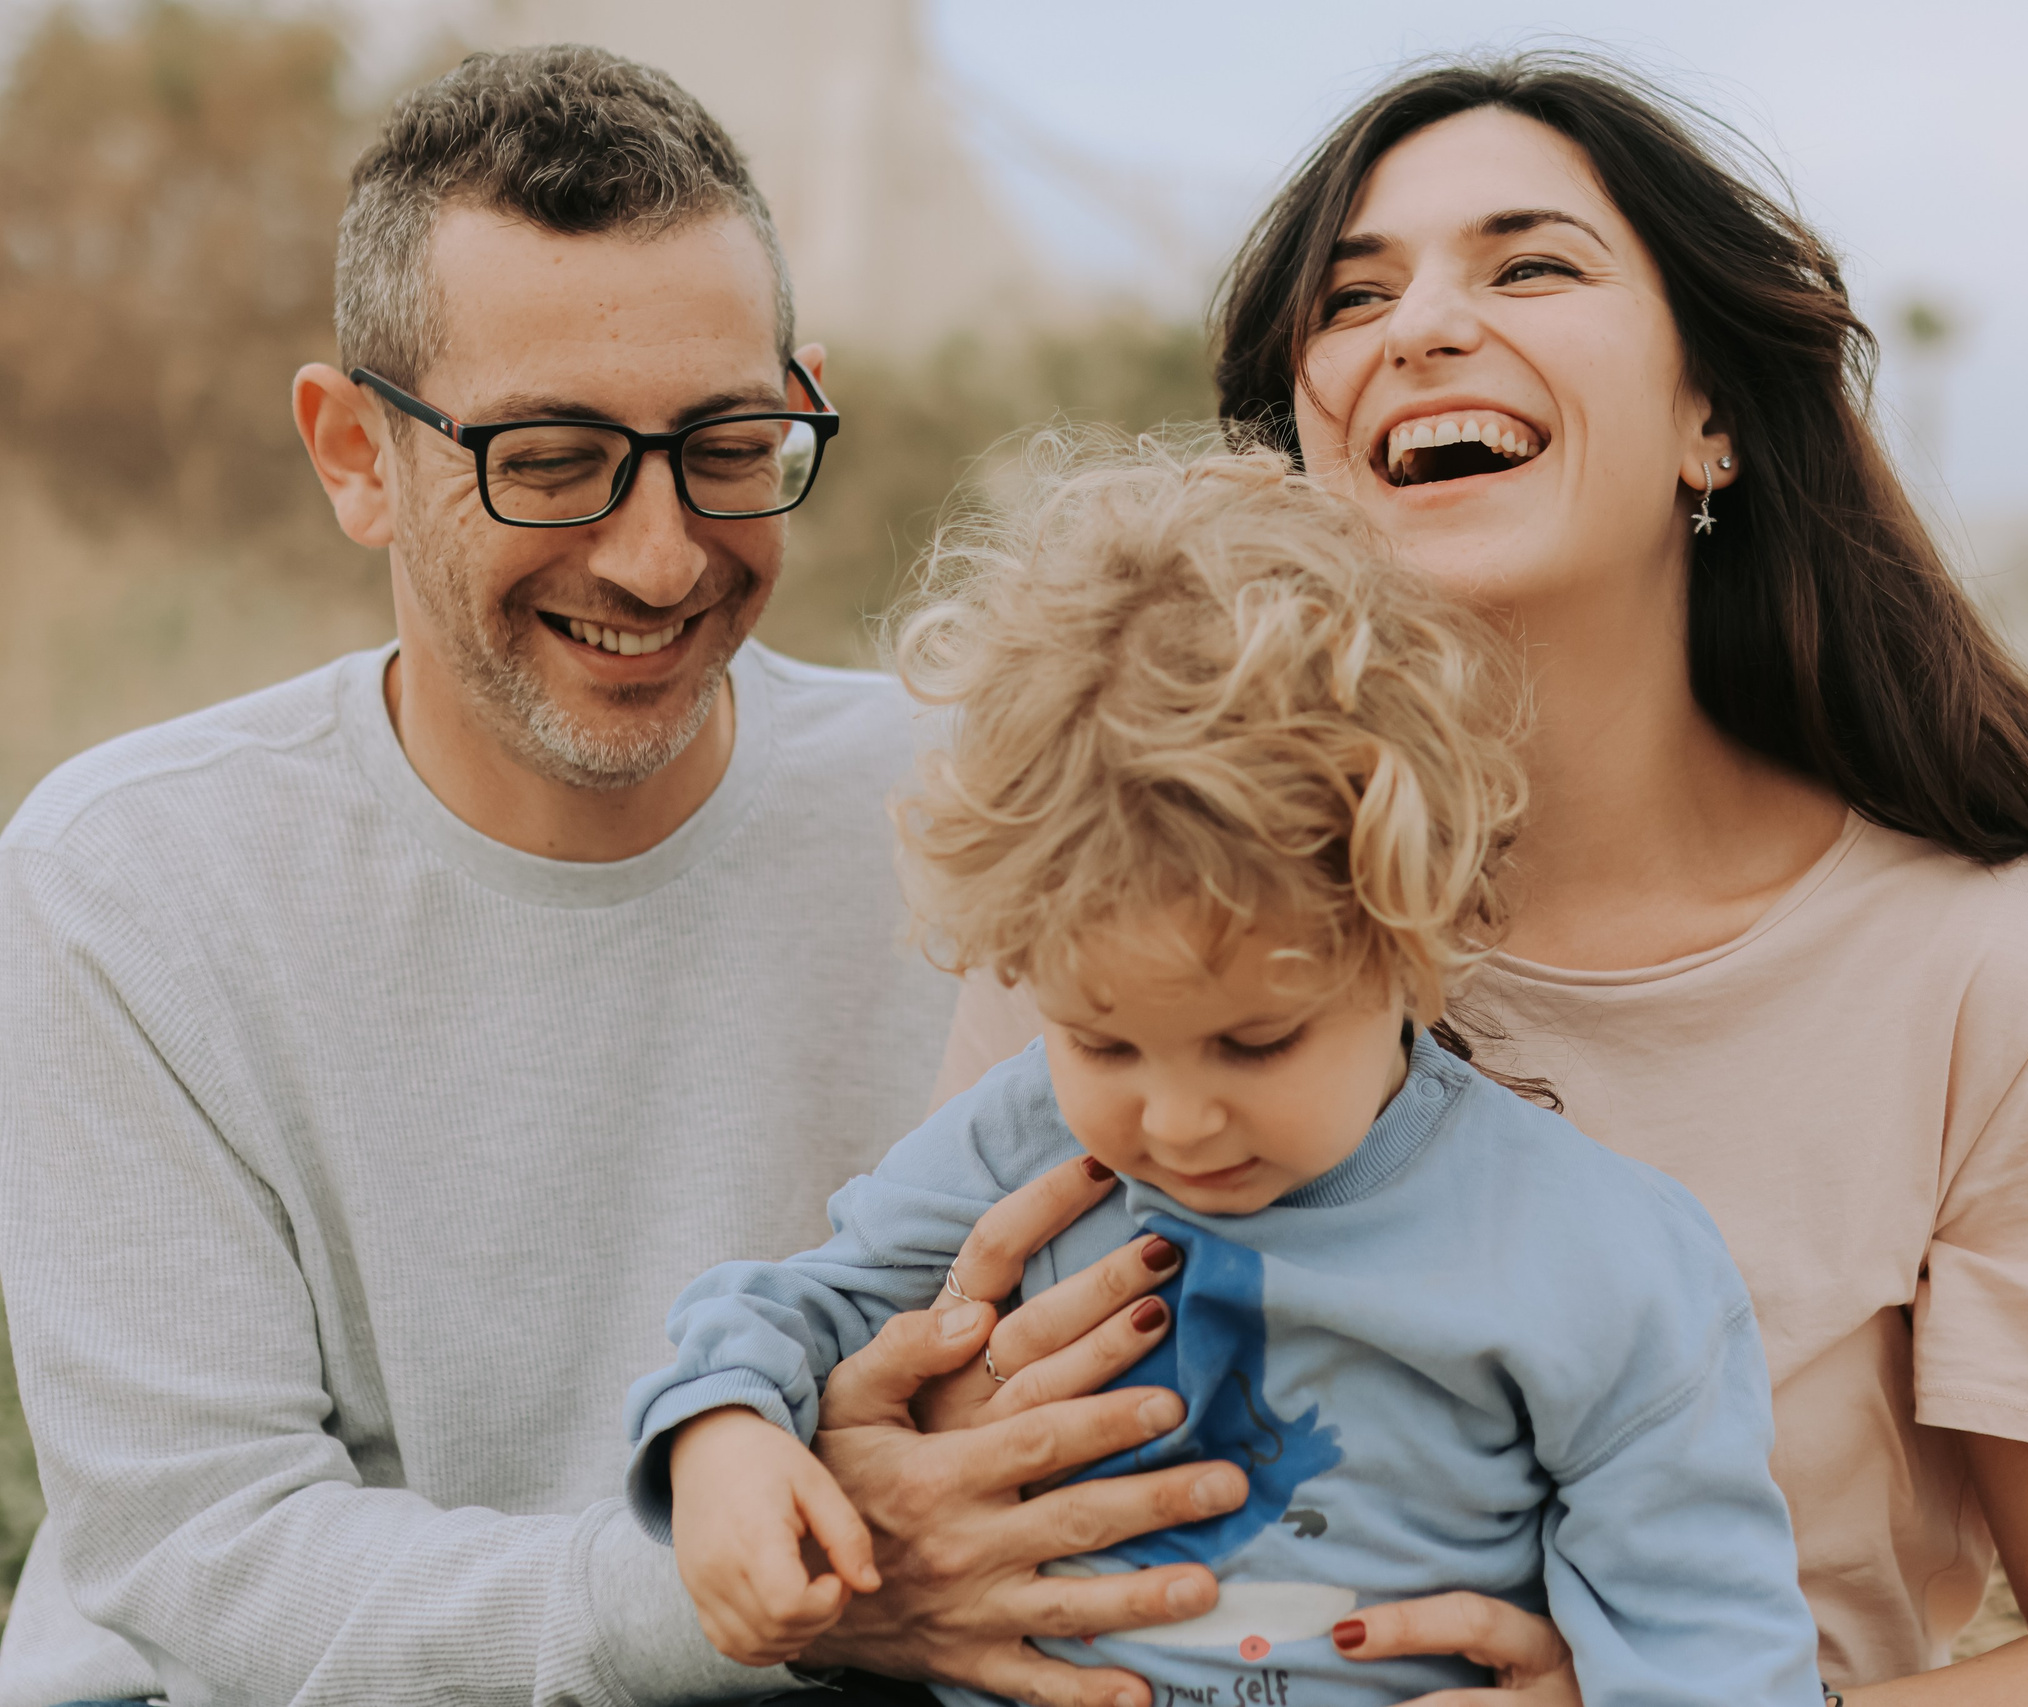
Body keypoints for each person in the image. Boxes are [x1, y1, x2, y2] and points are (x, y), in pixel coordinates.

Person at [934, 51, 2028, 1706]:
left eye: (1529, 266)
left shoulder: (1984, 975)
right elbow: (919, 1416)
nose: (1418, 327)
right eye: (1353, 297)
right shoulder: (1113, 888)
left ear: (1708, 417)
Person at [0, 47, 1244, 1707]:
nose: (658, 557)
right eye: (547, 457)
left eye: (726, 443)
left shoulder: (997, 809)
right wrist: (751, 1595)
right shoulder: (126, 879)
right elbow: (207, 1556)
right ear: (357, 453)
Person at [622, 440, 1825, 1707]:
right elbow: (792, 1309)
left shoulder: (1599, 1257)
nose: (1179, 1121)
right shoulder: (1023, 1138)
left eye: (1257, 1043)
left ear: (1413, 941)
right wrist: (722, 1439)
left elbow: (1711, 1648)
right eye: (1103, 1042)